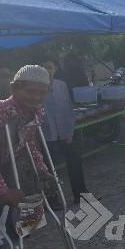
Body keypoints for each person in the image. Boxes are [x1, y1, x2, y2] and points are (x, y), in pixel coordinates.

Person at [0, 65, 57, 249]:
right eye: (30, 91)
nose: (36, 97)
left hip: (3, 166)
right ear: (14, 89)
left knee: (17, 224)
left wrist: (43, 171)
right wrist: (2, 191)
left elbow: (29, 144)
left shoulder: (36, 112)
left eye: (42, 92)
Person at [41, 60, 91, 205]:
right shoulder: (37, 87)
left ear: (55, 69)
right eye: (44, 67)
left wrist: (69, 131)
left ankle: (81, 194)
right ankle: (52, 199)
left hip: (64, 131)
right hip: (46, 132)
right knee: (48, 168)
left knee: (75, 161)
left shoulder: (61, 85)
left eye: (49, 67)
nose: (47, 70)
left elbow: (67, 108)